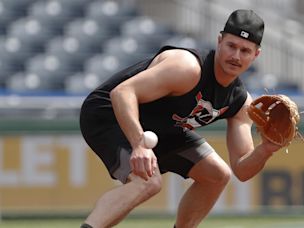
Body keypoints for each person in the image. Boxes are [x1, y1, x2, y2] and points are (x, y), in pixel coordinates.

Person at [79, 9, 282, 228]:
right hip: (109, 113)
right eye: (231, 46)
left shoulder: (240, 103)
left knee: (218, 175)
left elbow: (242, 170)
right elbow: (122, 93)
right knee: (148, 182)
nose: (236, 56)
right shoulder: (187, 68)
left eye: (245, 50)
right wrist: (139, 145)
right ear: (220, 41)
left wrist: (266, 149)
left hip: (163, 129)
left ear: (256, 54)